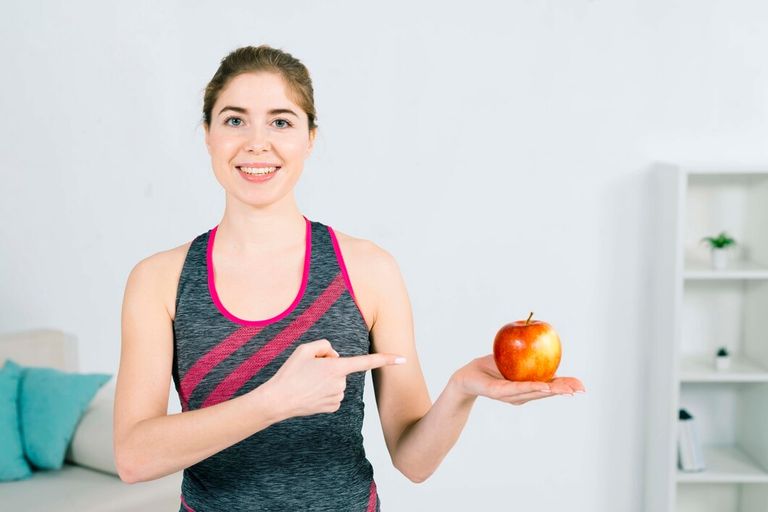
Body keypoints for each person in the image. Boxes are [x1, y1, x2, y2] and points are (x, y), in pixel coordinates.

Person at [113, 44, 585, 512]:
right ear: (208, 135)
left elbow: (413, 460)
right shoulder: (160, 281)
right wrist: (275, 401)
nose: (257, 142)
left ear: (310, 138)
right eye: (235, 120)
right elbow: (133, 457)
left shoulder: (368, 270)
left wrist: (461, 389)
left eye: (281, 121)